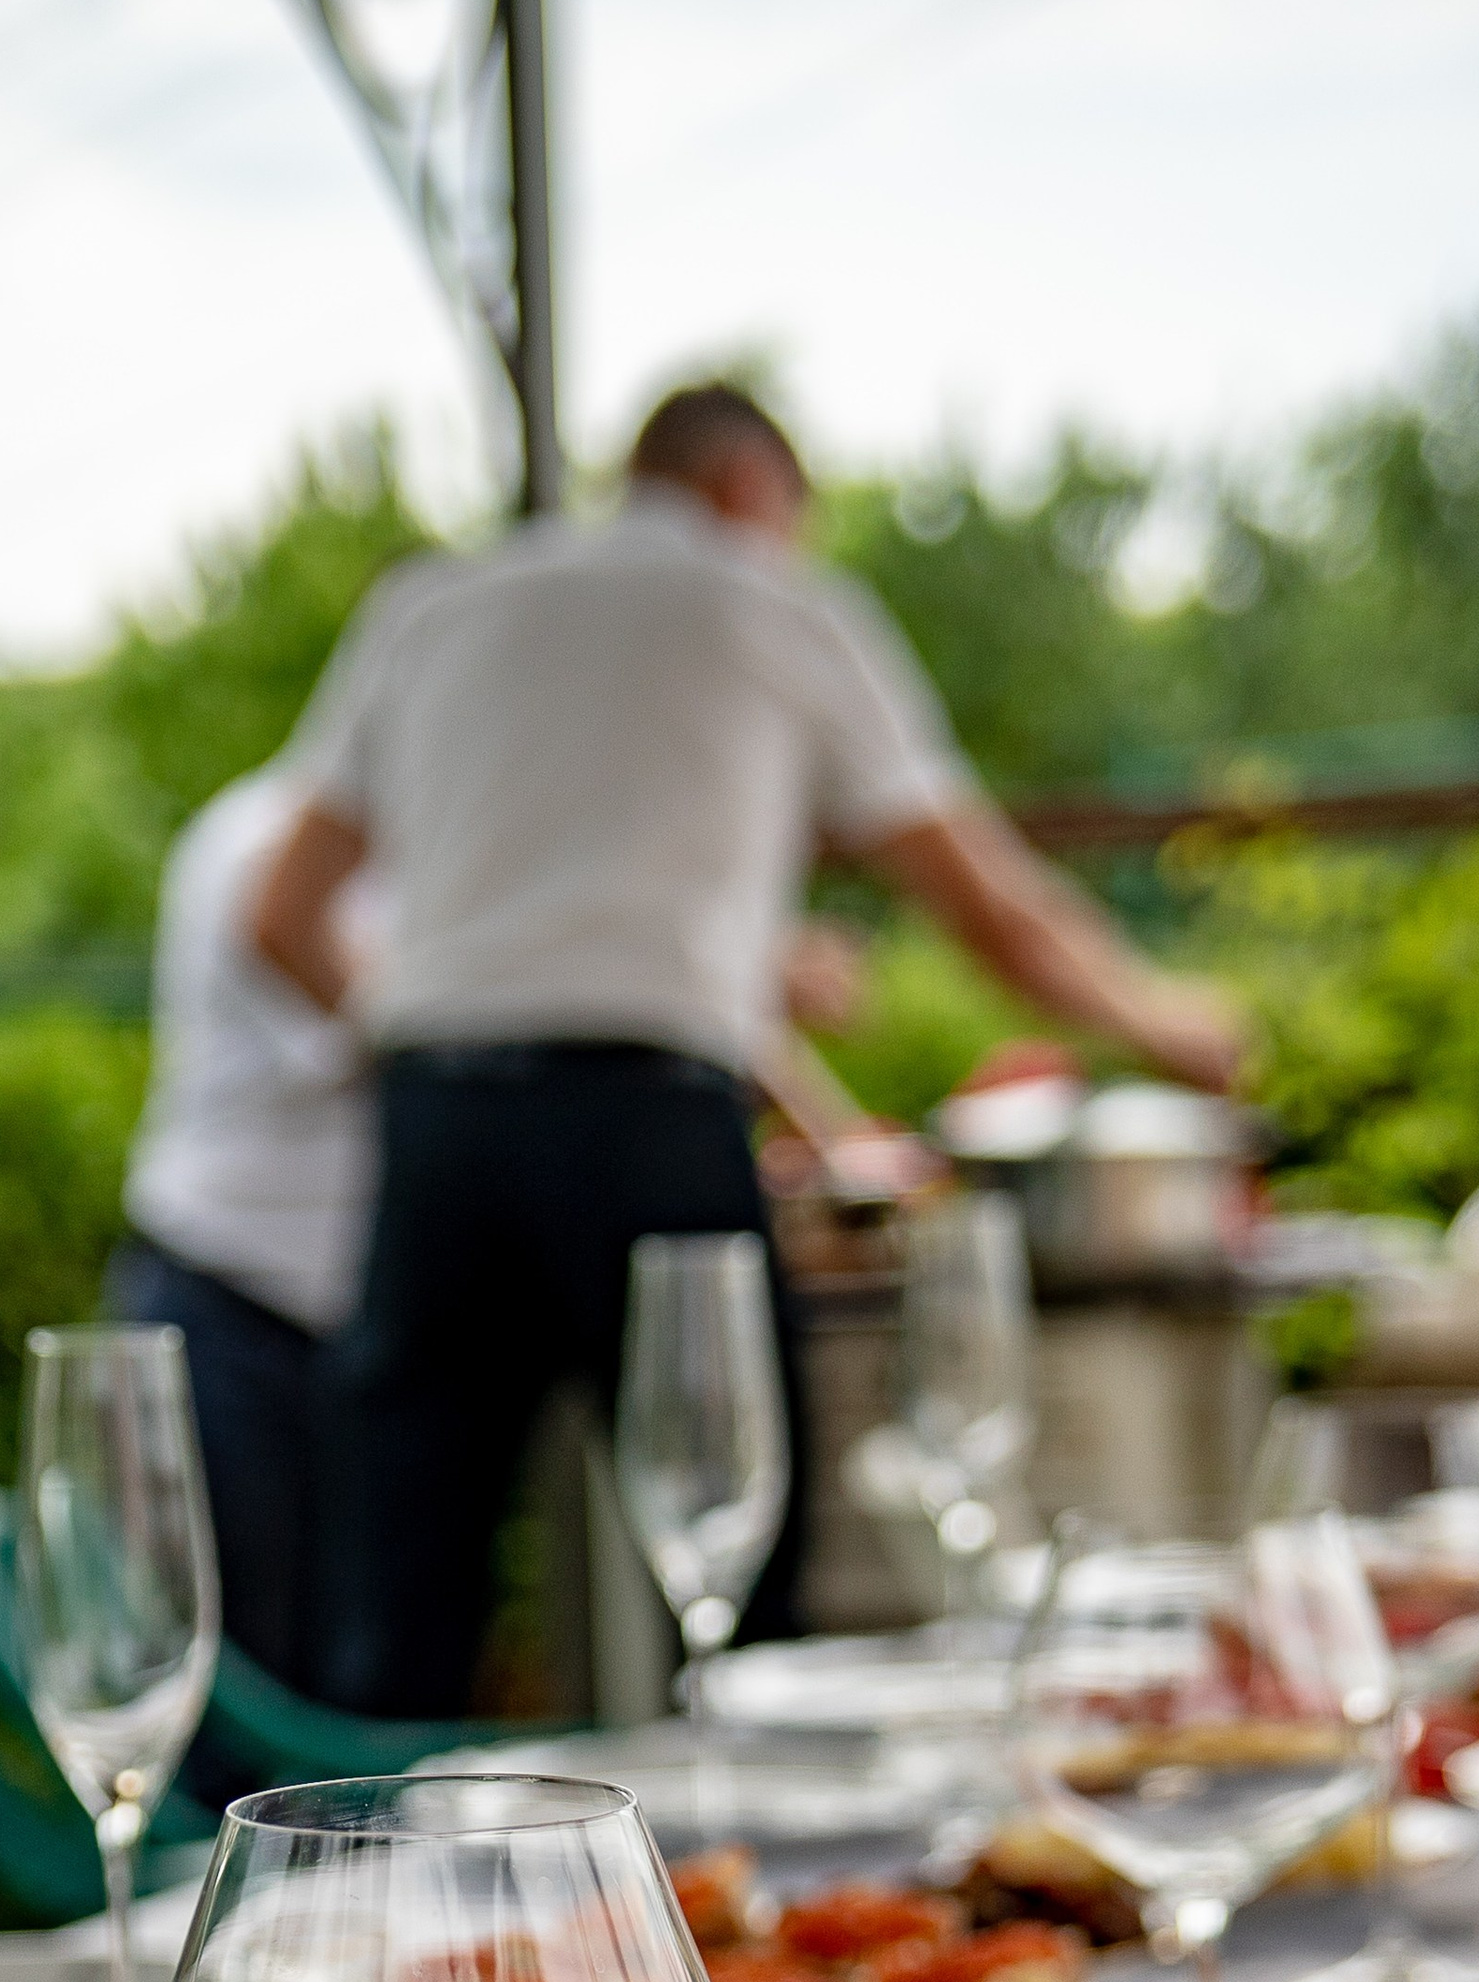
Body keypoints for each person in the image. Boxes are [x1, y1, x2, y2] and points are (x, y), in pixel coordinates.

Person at [252, 378, 1247, 1721]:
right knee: (738, 1592)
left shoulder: (430, 605)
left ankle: (376, 1904)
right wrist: (1168, 1026)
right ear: (746, 490)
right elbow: (992, 908)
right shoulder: (773, 608)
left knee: (402, 1611)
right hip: (646, 1132)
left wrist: (432, 1041)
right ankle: (738, 1903)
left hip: (437, 1133)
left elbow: (281, 917)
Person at [109, 758, 378, 1697]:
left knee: (342, 1681)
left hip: (344, 1324)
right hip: (227, 1300)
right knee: (226, 1682)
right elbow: (410, 1031)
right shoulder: (259, 845)